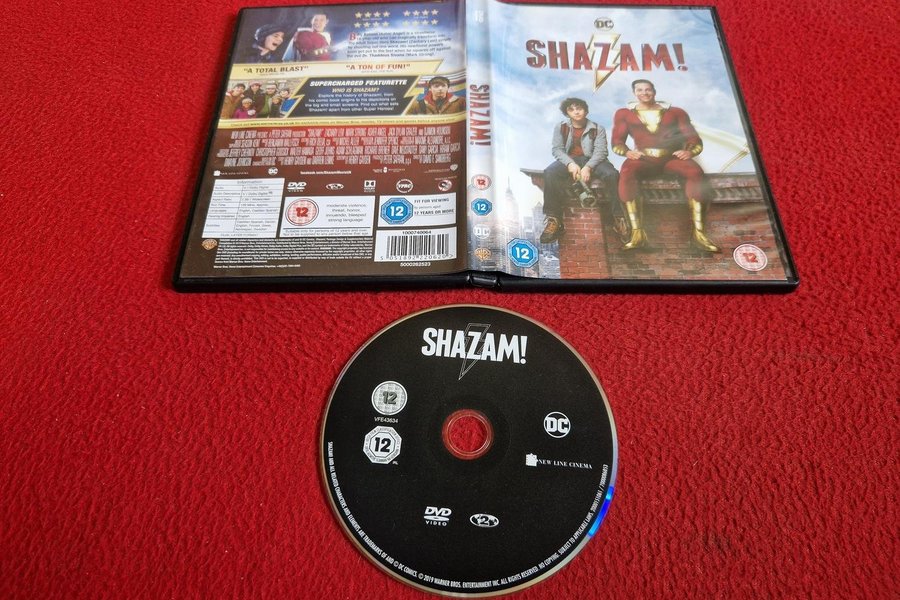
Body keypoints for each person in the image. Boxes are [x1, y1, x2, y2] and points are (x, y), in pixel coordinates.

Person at [611, 79, 720, 252]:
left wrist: (689, 152)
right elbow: (617, 142)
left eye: (648, 89)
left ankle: (699, 234)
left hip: (671, 158)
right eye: (640, 90)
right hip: (643, 159)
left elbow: (694, 139)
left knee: (695, 172)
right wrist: (627, 152)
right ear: (634, 93)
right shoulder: (624, 114)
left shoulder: (676, 112)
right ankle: (637, 234)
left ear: (654, 91)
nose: (644, 93)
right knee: (627, 171)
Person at [539, 98, 619, 243]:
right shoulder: (561, 127)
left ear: (586, 111)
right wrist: (570, 163)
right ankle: (554, 220)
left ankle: (618, 218)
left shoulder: (597, 128)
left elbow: (601, 152)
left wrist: (588, 167)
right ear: (567, 113)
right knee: (550, 172)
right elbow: (557, 150)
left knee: (612, 174)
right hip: (570, 160)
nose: (576, 112)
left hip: (594, 160)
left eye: (579, 108)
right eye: (571, 109)